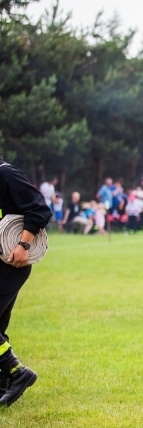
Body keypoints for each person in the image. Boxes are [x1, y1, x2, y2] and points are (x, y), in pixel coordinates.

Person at [0, 156, 51, 406]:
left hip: (12, 262)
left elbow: (39, 209)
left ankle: (18, 372)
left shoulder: (7, 174)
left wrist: (23, 244)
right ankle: (3, 383)